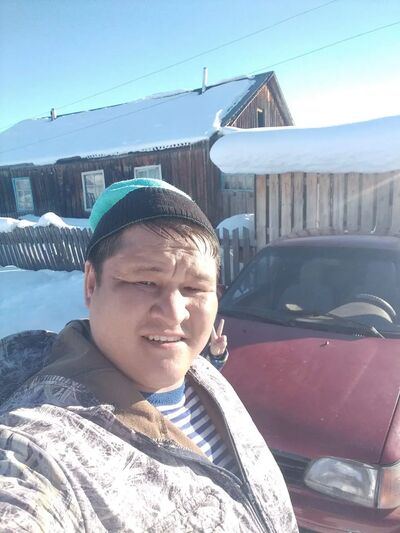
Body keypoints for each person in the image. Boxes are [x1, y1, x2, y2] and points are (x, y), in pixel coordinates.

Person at [0, 178, 298, 532]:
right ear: (92, 285)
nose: (174, 313)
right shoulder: (40, 448)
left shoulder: (202, 376)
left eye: (194, 288)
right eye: (145, 282)